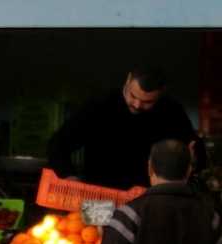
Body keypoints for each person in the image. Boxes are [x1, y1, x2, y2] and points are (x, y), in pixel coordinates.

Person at [48, 64, 204, 190]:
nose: (137, 105)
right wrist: (68, 175)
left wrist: (193, 159)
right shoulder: (99, 105)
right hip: (97, 198)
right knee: (92, 231)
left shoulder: (171, 111)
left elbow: (195, 151)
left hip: (147, 202)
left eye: (147, 102)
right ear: (128, 79)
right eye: (133, 96)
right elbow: (58, 144)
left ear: (161, 93)